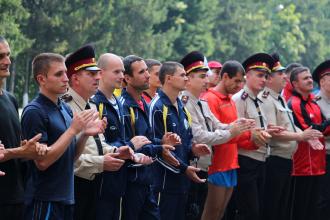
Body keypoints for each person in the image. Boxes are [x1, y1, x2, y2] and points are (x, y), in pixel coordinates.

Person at [21, 52, 105, 220]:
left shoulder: (64, 108)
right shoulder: (34, 111)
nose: (66, 78)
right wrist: (73, 131)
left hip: (66, 197)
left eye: (65, 73)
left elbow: (71, 156)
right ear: (41, 79)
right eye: (58, 74)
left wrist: (84, 135)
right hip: (45, 199)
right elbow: (42, 162)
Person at [179, 52, 255, 220]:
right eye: (202, 77)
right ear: (188, 79)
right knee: (204, 213)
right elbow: (200, 136)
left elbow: (217, 125)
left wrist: (238, 126)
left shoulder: (202, 102)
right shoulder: (187, 102)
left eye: (206, 76)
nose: (207, 81)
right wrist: (232, 131)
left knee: (216, 212)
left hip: (211, 163)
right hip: (200, 165)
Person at [63, 45, 133, 220]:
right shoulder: (65, 107)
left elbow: (97, 144)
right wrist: (101, 162)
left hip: (95, 183)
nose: (97, 77)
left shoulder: (91, 105)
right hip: (73, 185)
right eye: (91, 74)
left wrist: (115, 152)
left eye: (98, 73)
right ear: (75, 78)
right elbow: (66, 157)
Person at [201, 60, 269, 220]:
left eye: (241, 81)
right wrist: (249, 135)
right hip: (217, 164)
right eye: (236, 81)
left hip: (231, 163)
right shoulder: (211, 99)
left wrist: (255, 140)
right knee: (211, 212)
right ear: (225, 77)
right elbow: (218, 134)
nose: (239, 86)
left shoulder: (230, 99)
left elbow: (237, 134)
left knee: (220, 213)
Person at [260, 53, 323, 220]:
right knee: (272, 206)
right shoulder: (266, 99)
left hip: (287, 159)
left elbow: (289, 125)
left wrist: (304, 135)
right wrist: (301, 135)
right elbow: (275, 133)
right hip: (275, 159)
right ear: (269, 79)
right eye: (280, 74)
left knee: (282, 207)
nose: (284, 77)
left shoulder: (279, 98)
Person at [93, 53, 152, 220]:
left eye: (122, 71)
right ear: (101, 73)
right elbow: (98, 145)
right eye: (116, 72)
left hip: (120, 181)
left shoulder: (118, 102)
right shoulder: (95, 103)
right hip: (102, 183)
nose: (121, 76)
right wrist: (131, 147)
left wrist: (135, 154)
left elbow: (123, 140)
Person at [120, 55, 180, 220]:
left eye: (147, 70)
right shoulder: (124, 106)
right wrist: (159, 148)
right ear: (127, 78)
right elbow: (130, 144)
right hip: (131, 182)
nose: (147, 75)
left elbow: (146, 139)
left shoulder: (143, 103)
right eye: (141, 72)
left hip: (147, 180)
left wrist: (162, 142)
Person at [149, 61, 211, 220]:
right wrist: (184, 168)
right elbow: (155, 149)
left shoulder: (182, 107)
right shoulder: (157, 107)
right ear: (169, 78)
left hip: (181, 182)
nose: (186, 79)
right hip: (163, 183)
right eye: (182, 75)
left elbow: (186, 141)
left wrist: (193, 150)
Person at [0, 36, 48, 220]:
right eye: (1, 56)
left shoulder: (10, 99)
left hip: (17, 196)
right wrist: (20, 150)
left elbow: (14, 144)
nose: (7, 61)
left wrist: (32, 149)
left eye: (8, 55)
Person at [232, 53, 280, 220]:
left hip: (260, 160)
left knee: (257, 210)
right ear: (247, 75)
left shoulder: (257, 100)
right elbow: (234, 132)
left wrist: (268, 131)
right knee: (248, 211)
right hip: (246, 160)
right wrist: (254, 136)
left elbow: (257, 128)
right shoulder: (240, 99)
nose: (264, 80)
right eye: (260, 75)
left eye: (266, 76)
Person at [288, 66, 330, 220]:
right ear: (295, 84)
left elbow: (321, 129)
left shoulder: (312, 102)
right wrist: (326, 125)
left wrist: (324, 126)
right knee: (300, 208)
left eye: (310, 77)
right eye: (305, 78)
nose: (310, 80)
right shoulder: (295, 103)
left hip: (318, 162)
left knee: (314, 207)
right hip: (302, 165)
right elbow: (310, 129)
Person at [313, 59, 330, 220]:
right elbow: (318, 130)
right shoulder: (314, 103)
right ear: (322, 81)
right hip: (323, 156)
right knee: (323, 198)